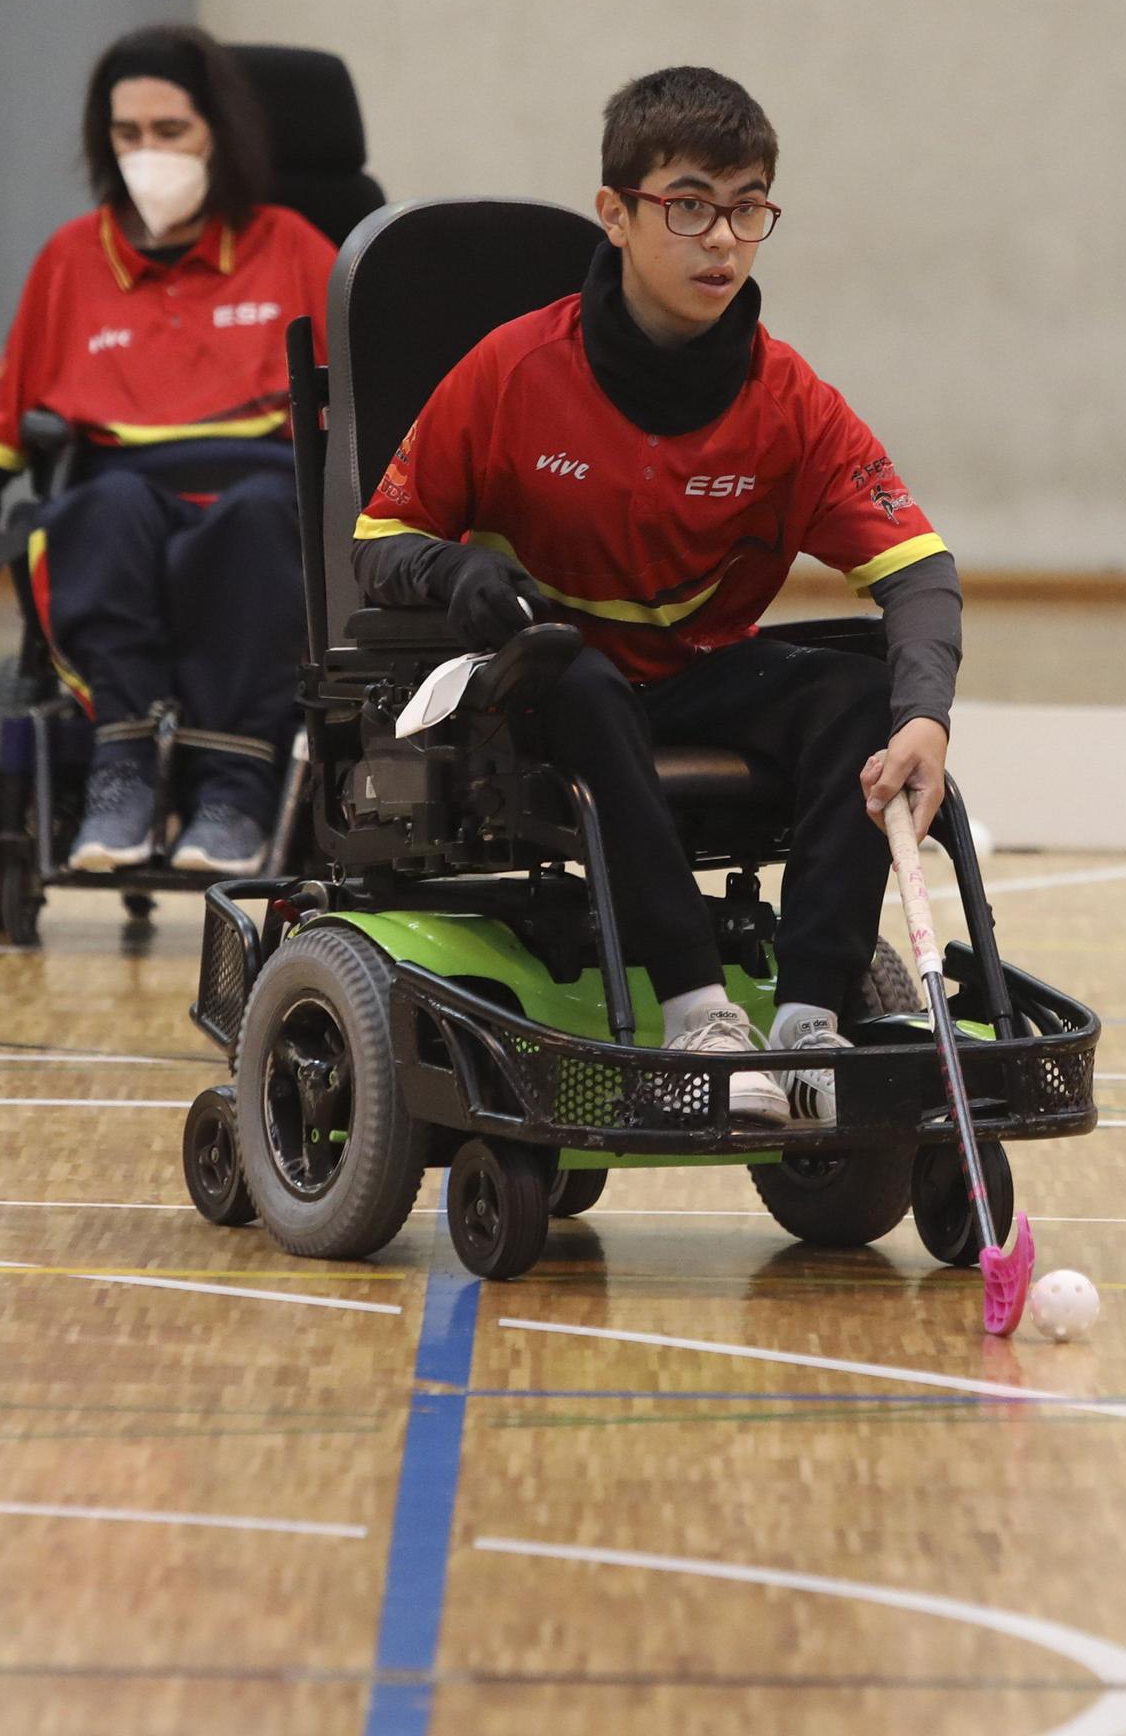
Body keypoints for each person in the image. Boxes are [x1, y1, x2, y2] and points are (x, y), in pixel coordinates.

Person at [352, 64, 961, 1125]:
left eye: (746, 208)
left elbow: (915, 570)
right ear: (616, 215)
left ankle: (808, 1022)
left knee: (858, 700)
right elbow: (378, 539)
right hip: (537, 684)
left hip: (690, 675)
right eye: (687, 206)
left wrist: (922, 715)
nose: (720, 239)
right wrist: (457, 571)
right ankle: (694, 1010)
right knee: (581, 678)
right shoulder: (507, 372)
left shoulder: (791, 404)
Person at [0, 24, 336, 875]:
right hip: (121, 485)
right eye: (127, 134)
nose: (148, 152)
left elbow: (370, 401)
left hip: (263, 482)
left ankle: (234, 792)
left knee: (257, 520)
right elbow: (3, 421)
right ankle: (123, 772)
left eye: (171, 131)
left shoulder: (292, 246)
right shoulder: (70, 261)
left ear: (220, 131)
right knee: (96, 513)